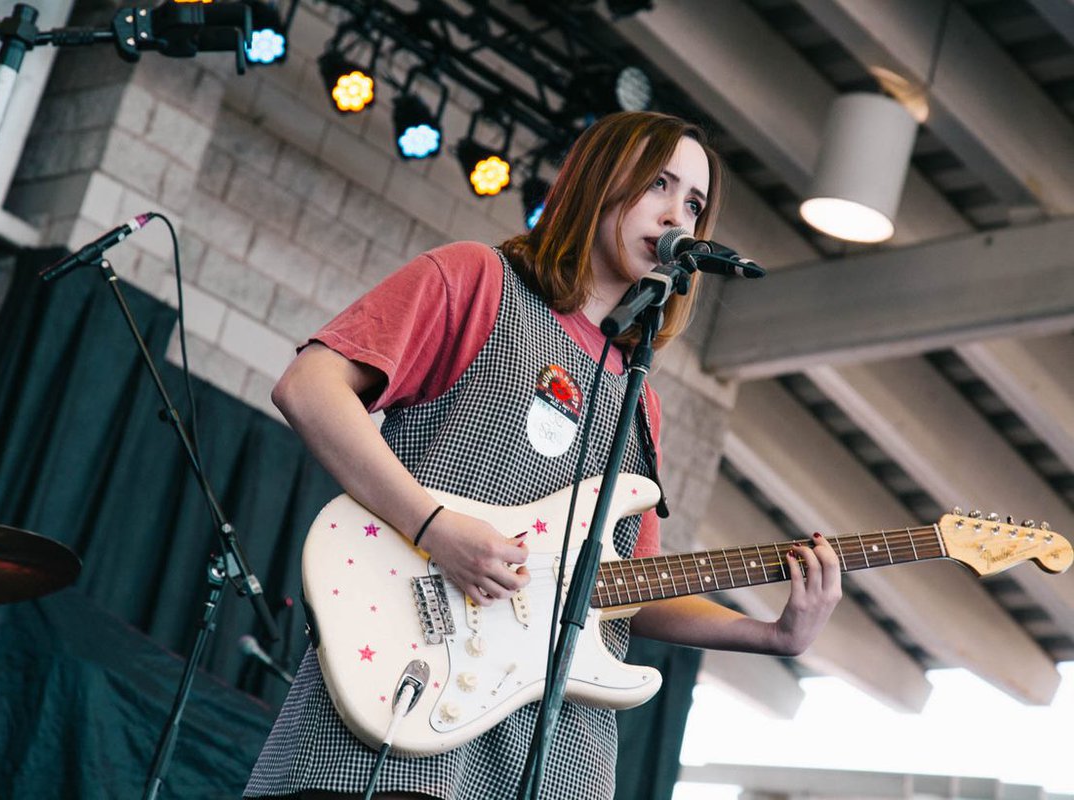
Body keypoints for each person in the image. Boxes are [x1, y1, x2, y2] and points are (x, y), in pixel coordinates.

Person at [244, 111, 842, 800]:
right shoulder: (480, 278)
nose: (679, 212)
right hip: (412, 683)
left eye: (696, 203)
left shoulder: (638, 399)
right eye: (659, 184)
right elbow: (309, 387)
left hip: (553, 749)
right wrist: (435, 528)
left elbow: (629, 587)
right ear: (597, 182)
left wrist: (770, 634)